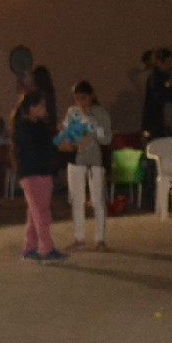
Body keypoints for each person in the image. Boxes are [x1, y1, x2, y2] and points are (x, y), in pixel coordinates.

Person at [13, 66, 66, 263]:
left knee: (34, 212)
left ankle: (29, 248)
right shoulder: (23, 127)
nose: (44, 108)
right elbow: (36, 148)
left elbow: (47, 145)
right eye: (41, 105)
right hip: (31, 173)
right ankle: (47, 249)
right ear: (31, 107)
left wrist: (58, 146)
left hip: (43, 171)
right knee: (41, 213)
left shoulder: (40, 125)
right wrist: (55, 147)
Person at [61, 80, 113, 250]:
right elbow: (66, 134)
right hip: (76, 159)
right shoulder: (72, 112)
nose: (80, 102)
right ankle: (79, 238)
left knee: (97, 200)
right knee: (77, 199)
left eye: (83, 98)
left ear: (91, 96)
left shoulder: (101, 113)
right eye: (77, 98)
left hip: (95, 161)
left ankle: (100, 239)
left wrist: (95, 127)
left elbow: (107, 139)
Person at [140, 48, 172, 138]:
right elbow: (159, 99)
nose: (171, 65)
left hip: (163, 125)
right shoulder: (155, 79)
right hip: (157, 126)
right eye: (168, 62)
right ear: (159, 62)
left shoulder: (167, 77)